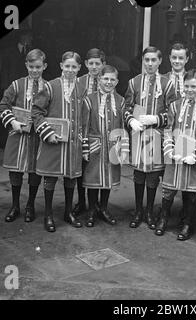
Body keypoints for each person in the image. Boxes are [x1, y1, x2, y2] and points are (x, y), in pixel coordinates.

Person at [155, 69, 196, 240]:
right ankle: (164, 218)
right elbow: (168, 130)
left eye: (193, 86)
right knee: (168, 190)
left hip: (195, 157)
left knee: (192, 192)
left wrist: (195, 155)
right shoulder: (174, 105)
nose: (189, 89)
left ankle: (188, 224)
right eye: (186, 86)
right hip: (176, 155)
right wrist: (170, 151)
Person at [123, 46, 176, 230]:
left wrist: (157, 119)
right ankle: (138, 211)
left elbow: (173, 113)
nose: (150, 64)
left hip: (157, 135)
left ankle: (149, 212)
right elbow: (126, 107)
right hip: (138, 135)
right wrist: (130, 121)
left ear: (160, 61)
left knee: (153, 175)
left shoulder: (168, 84)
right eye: (147, 60)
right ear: (143, 61)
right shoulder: (134, 82)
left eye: (154, 60)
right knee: (138, 175)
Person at [31, 51, 85, 232]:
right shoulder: (50, 86)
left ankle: (68, 212)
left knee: (71, 178)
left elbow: (85, 117)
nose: (70, 70)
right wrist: (47, 133)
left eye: (74, 67)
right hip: (52, 141)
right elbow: (36, 112)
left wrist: (82, 139)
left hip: (72, 143)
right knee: (50, 178)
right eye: (67, 66)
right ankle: (48, 214)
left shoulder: (82, 88)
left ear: (79, 68)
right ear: (61, 66)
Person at [0, 49, 48, 223]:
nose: (35, 70)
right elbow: (3, 106)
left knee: (35, 171)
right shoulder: (17, 85)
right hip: (18, 135)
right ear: (26, 65)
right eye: (31, 66)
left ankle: (30, 205)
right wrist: (12, 122)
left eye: (38, 67)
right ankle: (15, 205)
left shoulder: (48, 87)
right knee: (16, 170)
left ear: (44, 66)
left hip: (38, 136)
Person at [81, 65, 129, 227]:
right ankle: (92, 210)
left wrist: (122, 148)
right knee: (93, 179)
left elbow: (122, 126)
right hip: (95, 146)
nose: (108, 82)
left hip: (112, 146)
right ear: (99, 79)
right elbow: (84, 126)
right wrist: (85, 148)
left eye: (112, 79)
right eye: (105, 79)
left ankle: (103, 208)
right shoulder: (89, 100)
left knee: (108, 179)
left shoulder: (121, 101)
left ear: (117, 81)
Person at [73, 48, 107, 217]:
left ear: (103, 64)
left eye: (98, 64)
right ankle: (81, 201)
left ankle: (99, 204)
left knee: (99, 166)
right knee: (82, 166)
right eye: (91, 63)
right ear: (85, 64)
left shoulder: (108, 81)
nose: (94, 67)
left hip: (100, 131)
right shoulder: (79, 82)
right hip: (83, 129)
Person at [0, 29, 34, 149]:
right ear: (21, 37)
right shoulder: (9, 52)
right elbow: (4, 70)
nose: (30, 39)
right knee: (8, 111)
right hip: (11, 87)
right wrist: (5, 87)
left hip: (25, 87)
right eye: (28, 36)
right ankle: (4, 142)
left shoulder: (30, 52)